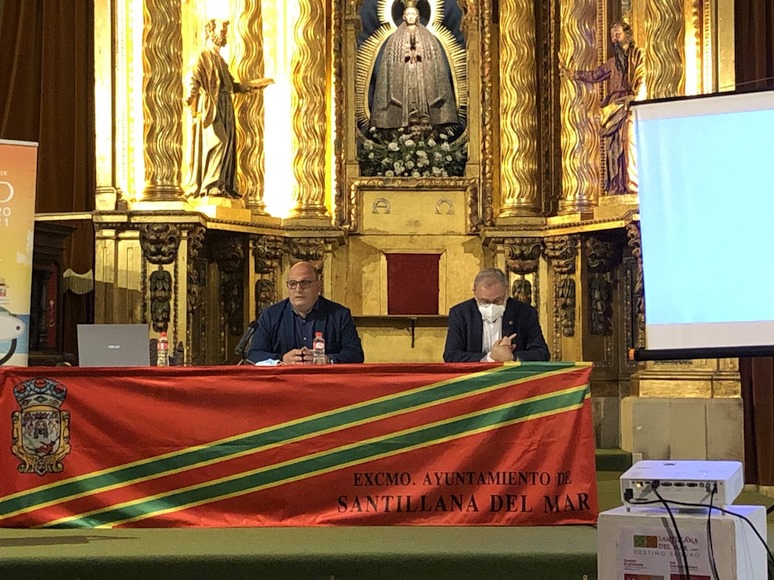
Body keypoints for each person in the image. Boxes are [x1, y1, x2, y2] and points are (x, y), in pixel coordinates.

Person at [183, 19, 272, 198]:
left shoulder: (221, 61)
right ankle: (210, 184)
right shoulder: (202, 56)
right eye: (221, 30)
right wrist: (191, 95)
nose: (224, 34)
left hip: (225, 105)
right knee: (218, 141)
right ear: (210, 31)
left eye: (225, 31)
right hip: (211, 105)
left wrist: (252, 85)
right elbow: (192, 76)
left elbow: (232, 85)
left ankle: (222, 185)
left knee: (228, 145)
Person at [561, 21, 644, 195]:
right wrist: (573, 74)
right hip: (612, 109)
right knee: (613, 150)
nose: (614, 39)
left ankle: (633, 186)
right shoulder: (612, 63)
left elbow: (643, 78)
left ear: (627, 35)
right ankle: (616, 186)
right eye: (612, 35)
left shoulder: (637, 57)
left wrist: (634, 98)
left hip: (629, 106)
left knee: (628, 144)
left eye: (618, 34)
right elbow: (595, 75)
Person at [246, 261, 365, 364]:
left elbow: (355, 354)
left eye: (305, 283)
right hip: (285, 384)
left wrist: (326, 360)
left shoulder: (339, 315)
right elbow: (254, 354)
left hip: (326, 383)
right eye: (293, 284)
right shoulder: (271, 315)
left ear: (319, 287)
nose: (298, 289)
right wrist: (281, 359)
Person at [371, 1, 458, 130]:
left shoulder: (428, 37)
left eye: (413, 13)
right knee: (408, 92)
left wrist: (420, 55)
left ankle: (424, 115)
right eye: (408, 14)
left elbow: (435, 63)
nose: (411, 16)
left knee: (420, 92)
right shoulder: (395, 38)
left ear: (417, 16)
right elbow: (389, 66)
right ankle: (406, 116)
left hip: (421, 73)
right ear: (403, 17)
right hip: (405, 72)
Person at [443, 268, 550, 363]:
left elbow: (542, 354)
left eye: (497, 300)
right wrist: (490, 357)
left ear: (506, 292)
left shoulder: (525, 313)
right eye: (484, 301)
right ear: (475, 294)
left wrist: (512, 357)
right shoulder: (460, 314)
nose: (491, 306)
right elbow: (451, 355)